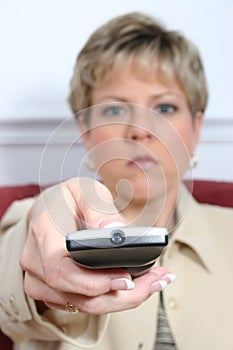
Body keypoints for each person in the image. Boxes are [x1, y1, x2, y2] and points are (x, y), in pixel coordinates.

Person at [0, 11, 233, 350]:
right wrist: (44, 234)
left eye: (164, 108)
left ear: (196, 130)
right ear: (86, 132)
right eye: (114, 110)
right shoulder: (30, 219)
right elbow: (15, 280)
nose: (140, 129)